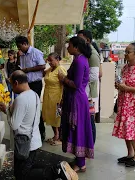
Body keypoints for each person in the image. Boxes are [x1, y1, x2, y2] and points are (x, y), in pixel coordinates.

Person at [0, 70, 78, 180]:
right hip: (34, 139)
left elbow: (14, 125)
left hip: (25, 142)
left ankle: (57, 171)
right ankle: (57, 169)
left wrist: (7, 111)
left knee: (23, 175)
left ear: (16, 83)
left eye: (11, 84)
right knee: (23, 169)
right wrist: (9, 109)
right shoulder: (34, 94)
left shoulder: (20, 99)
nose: (11, 87)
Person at [58, 37, 94, 172]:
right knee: (75, 128)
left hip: (77, 100)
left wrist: (63, 79)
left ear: (76, 47)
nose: (67, 48)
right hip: (74, 98)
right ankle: (79, 159)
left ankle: (81, 163)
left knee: (77, 129)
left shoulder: (80, 61)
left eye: (69, 46)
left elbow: (76, 84)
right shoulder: (79, 59)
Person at [15, 36, 46, 141]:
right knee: (27, 108)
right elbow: (18, 67)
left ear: (25, 43)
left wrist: (28, 69)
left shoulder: (35, 52)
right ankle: (28, 132)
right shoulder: (22, 54)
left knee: (36, 108)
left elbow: (42, 66)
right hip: (25, 84)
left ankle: (41, 132)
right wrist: (18, 56)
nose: (19, 49)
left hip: (35, 83)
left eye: (20, 47)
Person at [77, 30, 101, 144]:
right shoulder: (85, 52)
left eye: (80, 38)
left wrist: (77, 81)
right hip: (84, 91)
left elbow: (94, 75)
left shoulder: (92, 54)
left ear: (87, 40)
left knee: (89, 120)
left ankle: (90, 145)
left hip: (89, 93)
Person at [42, 53, 66, 146]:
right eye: (48, 60)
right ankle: (55, 135)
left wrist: (63, 98)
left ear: (57, 59)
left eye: (51, 60)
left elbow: (64, 84)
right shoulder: (50, 69)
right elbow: (42, 73)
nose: (49, 62)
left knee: (58, 117)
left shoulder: (61, 69)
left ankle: (60, 137)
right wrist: (44, 62)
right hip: (48, 96)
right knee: (50, 116)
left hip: (57, 96)